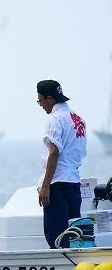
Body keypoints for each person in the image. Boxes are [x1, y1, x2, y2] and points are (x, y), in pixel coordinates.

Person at [36, 80, 87, 248]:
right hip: (73, 182)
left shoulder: (55, 119)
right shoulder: (78, 119)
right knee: (75, 235)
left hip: (57, 183)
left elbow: (54, 152)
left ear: (49, 99)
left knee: (56, 237)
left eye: (40, 100)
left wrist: (45, 186)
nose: (40, 105)